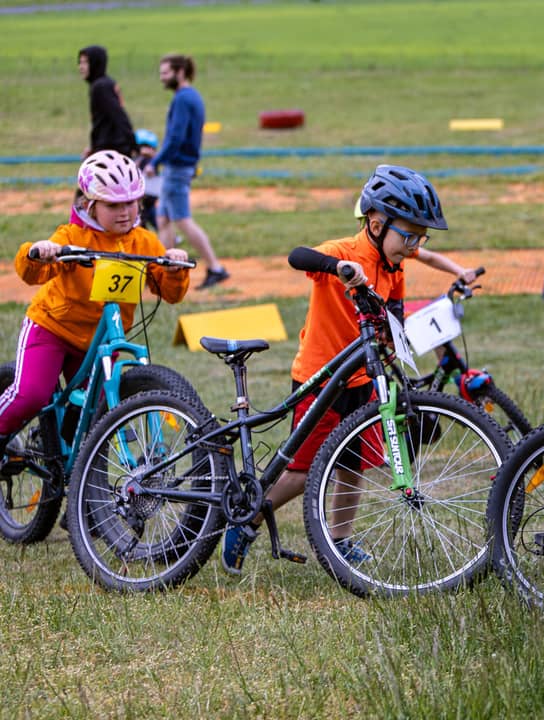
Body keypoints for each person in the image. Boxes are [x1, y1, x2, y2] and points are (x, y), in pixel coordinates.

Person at [220, 164, 479, 575]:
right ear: (376, 224)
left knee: (352, 465)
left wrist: (396, 339)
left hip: (363, 375)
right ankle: (247, 520)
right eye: (409, 236)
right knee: (302, 471)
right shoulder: (345, 251)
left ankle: (340, 540)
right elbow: (297, 256)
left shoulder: (394, 263)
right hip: (321, 377)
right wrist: (336, 268)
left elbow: (394, 309)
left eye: (420, 238)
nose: (414, 245)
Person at [0, 151, 190, 457]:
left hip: (100, 343)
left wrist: (174, 268)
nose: (124, 212)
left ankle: (81, 476)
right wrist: (39, 252)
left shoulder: (144, 241)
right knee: (32, 395)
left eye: (131, 202)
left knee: (98, 413)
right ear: (90, 205)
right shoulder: (72, 236)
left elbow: (171, 293)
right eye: (113, 205)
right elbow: (32, 273)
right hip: (52, 330)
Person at [150, 53, 229, 289]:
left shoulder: (183, 99)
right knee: (163, 219)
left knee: (182, 220)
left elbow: (175, 138)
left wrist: (155, 162)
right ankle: (163, 272)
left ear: (180, 72)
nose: (162, 78)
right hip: (179, 166)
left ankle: (216, 268)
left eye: (166, 73)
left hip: (177, 167)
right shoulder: (190, 96)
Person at [77, 45, 136, 159]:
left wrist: (134, 145)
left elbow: (119, 116)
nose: (81, 67)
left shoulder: (100, 86)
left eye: (85, 62)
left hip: (111, 150)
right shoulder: (104, 83)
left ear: (96, 63)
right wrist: (93, 147)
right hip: (108, 148)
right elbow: (103, 122)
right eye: (80, 62)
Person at [134, 129, 162, 232]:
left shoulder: (151, 160)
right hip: (142, 197)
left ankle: (170, 235)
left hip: (149, 197)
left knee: (153, 217)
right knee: (142, 219)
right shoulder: (137, 160)